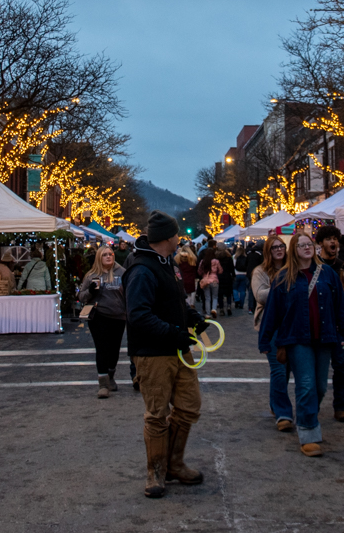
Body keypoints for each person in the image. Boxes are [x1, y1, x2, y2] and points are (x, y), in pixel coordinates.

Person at [123, 210, 208, 498]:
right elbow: (138, 316)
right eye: (176, 234)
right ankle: (155, 471)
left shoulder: (165, 262)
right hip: (153, 353)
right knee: (157, 415)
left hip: (178, 349)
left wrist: (193, 316)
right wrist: (175, 332)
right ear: (167, 238)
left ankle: (174, 464)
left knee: (189, 407)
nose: (179, 239)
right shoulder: (142, 268)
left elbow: (178, 302)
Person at [259, 231, 344, 456]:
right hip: (297, 338)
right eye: (301, 245)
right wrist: (265, 340)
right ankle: (308, 433)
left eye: (309, 243)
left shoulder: (328, 274)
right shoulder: (284, 277)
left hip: (324, 338)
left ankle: (306, 414)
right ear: (295, 250)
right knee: (306, 384)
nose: (307, 247)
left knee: (320, 386)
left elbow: (341, 306)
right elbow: (272, 311)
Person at [252, 236, 294, 432]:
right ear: (268, 251)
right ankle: (283, 412)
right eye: (274, 247)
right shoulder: (260, 272)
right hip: (270, 324)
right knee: (278, 368)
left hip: (292, 323)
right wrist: (286, 290)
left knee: (286, 370)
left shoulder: (292, 269)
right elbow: (260, 295)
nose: (279, 250)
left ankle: (275, 403)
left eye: (281, 246)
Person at [78, 245, 127, 398]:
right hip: (98, 316)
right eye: (104, 254)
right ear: (99, 257)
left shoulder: (122, 273)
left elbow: (129, 293)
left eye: (110, 254)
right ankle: (103, 383)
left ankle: (110, 375)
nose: (108, 257)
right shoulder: (92, 275)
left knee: (114, 350)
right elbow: (81, 296)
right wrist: (91, 291)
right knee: (101, 348)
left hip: (118, 316)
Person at [315, 225, 344, 423]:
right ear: (320, 243)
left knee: (341, 366)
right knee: (318, 369)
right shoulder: (314, 265)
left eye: (335, 238)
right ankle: (315, 405)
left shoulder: (343, 267)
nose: (333, 242)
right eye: (328, 239)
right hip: (319, 327)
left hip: (341, 330)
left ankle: (340, 406)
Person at [217, 246, 235, 316]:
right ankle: (228, 306)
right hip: (227, 277)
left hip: (219, 277)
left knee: (220, 294)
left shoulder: (217, 258)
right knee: (228, 293)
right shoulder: (229, 258)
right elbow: (232, 268)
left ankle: (221, 308)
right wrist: (233, 276)